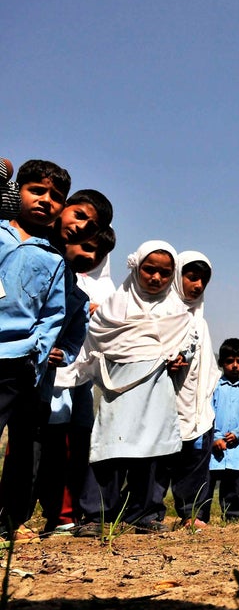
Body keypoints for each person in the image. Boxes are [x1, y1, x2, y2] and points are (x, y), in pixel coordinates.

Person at [71, 240, 193, 536]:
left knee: (152, 449)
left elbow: (187, 345)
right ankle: (95, 515)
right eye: (149, 270)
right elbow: (95, 340)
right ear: (136, 268)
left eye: (165, 273)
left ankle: (146, 514)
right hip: (119, 387)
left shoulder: (177, 312)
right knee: (109, 448)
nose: (156, 278)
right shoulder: (114, 306)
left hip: (156, 388)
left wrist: (180, 358)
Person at [0, 159, 70, 540]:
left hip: (23, 362)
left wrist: (37, 353)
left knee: (24, 447)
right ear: (19, 191)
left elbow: (53, 313)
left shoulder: (54, 258)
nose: (46, 201)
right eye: (37, 191)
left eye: (55, 197)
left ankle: (12, 520)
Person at [39, 226, 116, 535]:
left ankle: (73, 513)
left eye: (99, 251)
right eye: (85, 245)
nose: (91, 256)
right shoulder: (59, 275)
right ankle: (55, 513)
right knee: (48, 443)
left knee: (79, 443)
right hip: (52, 372)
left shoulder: (111, 292)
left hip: (84, 376)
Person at [155, 252, 218, 529]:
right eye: (191, 277)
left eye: (203, 279)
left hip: (195, 404)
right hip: (162, 399)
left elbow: (207, 367)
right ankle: (147, 513)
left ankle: (192, 515)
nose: (198, 285)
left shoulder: (200, 322)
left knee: (193, 461)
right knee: (158, 461)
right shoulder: (160, 313)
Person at [202, 338, 239, 524]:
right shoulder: (213, 388)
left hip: (236, 450)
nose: (235, 365)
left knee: (233, 487)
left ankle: (233, 519)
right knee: (206, 487)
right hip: (212, 449)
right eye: (229, 361)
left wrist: (238, 432)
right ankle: (200, 518)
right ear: (221, 363)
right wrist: (216, 437)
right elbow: (207, 411)